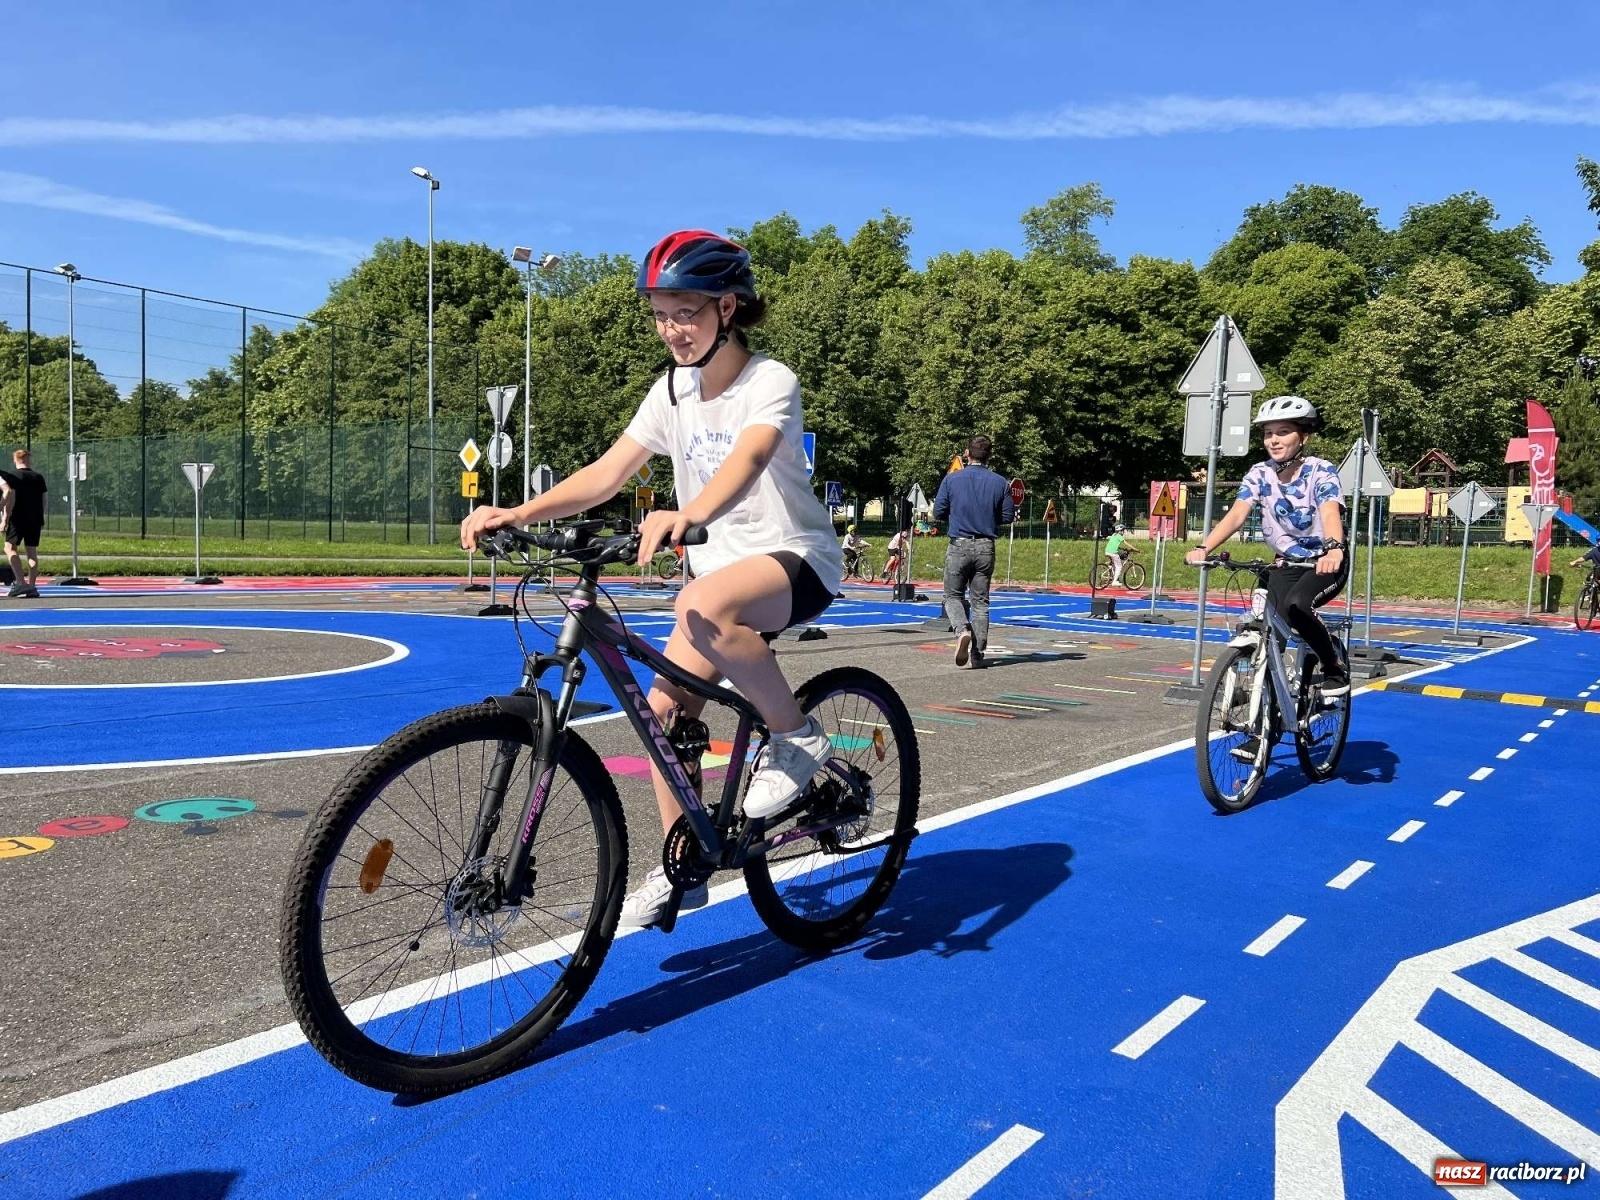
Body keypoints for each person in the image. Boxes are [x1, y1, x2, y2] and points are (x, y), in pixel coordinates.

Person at [460, 230, 843, 929]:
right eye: (662, 314)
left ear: (728, 307)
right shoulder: (670, 392)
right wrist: (516, 510)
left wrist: (690, 512)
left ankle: (796, 737)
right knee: (662, 715)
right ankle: (683, 865)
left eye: (687, 312)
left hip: (795, 561)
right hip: (715, 585)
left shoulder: (769, 382)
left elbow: (751, 459)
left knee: (701, 599)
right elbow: (607, 473)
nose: (673, 329)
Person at [1185, 395, 1350, 696]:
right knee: (1264, 624)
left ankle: (1332, 667)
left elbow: (1329, 511)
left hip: (1325, 560)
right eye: (1268, 433)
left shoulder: (1321, 470)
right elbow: (1237, 514)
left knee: (1297, 606)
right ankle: (1266, 711)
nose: (1274, 440)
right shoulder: (1259, 474)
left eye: (1283, 432)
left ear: (1304, 437)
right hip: (1286, 560)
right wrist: (1203, 547)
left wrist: (1334, 548)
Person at [932, 435, 1014, 669]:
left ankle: (962, 630)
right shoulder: (1000, 482)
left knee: (952, 595)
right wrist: (987, 516)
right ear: (989, 455)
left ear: (967, 453)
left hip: (959, 543)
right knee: (980, 602)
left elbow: (939, 511)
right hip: (986, 546)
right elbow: (1007, 516)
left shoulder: (952, 480)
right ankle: (978, 655)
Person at [1, 448, 47, 598]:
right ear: (29, 460)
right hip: (35, 518)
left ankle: (20, 582)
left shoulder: (12, 477)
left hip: (18, 517)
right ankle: (32, 586)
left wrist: (5, 518)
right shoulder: (38, 477)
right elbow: (44, 499)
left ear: (15, 460)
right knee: (31, 552)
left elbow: (11, 499)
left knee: (10, 547)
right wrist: (41, 515)